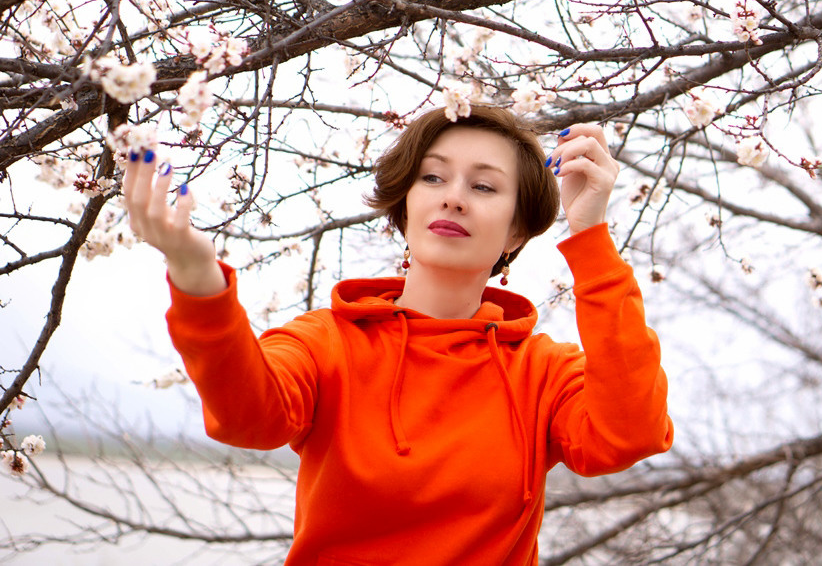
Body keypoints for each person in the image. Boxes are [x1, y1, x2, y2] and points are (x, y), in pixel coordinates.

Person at [122, 104, 674, 565]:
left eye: (484, 186)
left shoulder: (543, 372)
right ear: (403, 207)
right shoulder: (325, 341)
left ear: (516, 231)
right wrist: (198, 279)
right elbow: (248, 417)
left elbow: (630, 433)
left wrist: (592, 239)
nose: (453, 196)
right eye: (432, 177)